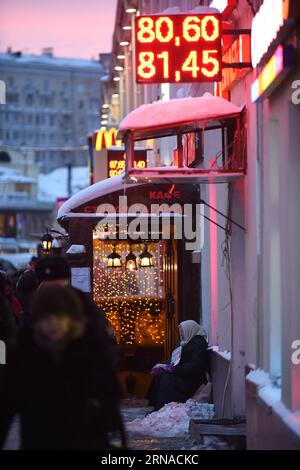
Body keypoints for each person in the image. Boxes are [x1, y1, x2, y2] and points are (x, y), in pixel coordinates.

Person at [0, 284, 125, 449]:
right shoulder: (25, 351)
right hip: (40, 442)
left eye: (59, 317)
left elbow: (111, 407)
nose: (53, 324)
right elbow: (6, 405)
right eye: (46, 318)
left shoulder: (91, 349)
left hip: (88, 441)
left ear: (71, 318)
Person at [34, 256, 118, 361]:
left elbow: (106, 347)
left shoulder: (86, 307)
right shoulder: (34, 308)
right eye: (48, 285)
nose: (54, 291)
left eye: (57, 285)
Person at [146, 320, 209, 411]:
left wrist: (174, 369)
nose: (181, 334)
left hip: (192, 378)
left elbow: (195, 366)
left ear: (189, 330)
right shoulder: (184, 342)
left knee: (167, 379)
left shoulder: (198, 343)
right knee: (159, 376)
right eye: (180, 332)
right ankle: (157, 407)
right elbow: (173, 358)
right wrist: (162, 365)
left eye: (182, 331)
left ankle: (163, 408)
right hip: (182, 373)